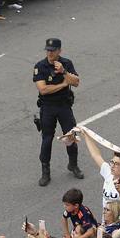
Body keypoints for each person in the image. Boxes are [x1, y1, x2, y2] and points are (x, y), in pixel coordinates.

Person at [33, 38, 83, 186]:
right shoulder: (40, 66)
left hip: (64, 106)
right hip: (47, 107)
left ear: (59, 51)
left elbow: (76, 82)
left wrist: (64, 72)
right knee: (47, 139)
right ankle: (45, 172)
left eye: (52, 50)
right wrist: (63, 83)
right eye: (48, 50)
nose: (49, 53)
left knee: (71, 136)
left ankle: (73, 165)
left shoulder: (66, 63)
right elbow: (43, 89)